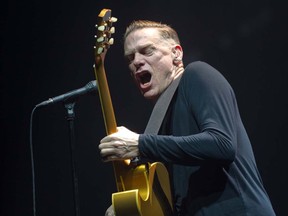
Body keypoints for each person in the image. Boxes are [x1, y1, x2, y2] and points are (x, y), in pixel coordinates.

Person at [99, 20, 276, 216]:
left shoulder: (197, 74)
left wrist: (141, 144)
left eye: (147, 51)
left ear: (176, 53)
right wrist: (131, 209)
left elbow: (222, 144)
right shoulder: (160, 124)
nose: (136, 62)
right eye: (130, 58)